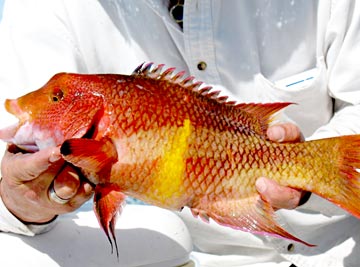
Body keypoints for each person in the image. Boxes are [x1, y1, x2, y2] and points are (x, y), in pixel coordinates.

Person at [0, 0, 359, 266]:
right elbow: (8, 173)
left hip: (338, 247)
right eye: (59, 98)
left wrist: (307, 175)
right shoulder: (45, 11)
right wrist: (20, 203)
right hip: (184, 256)